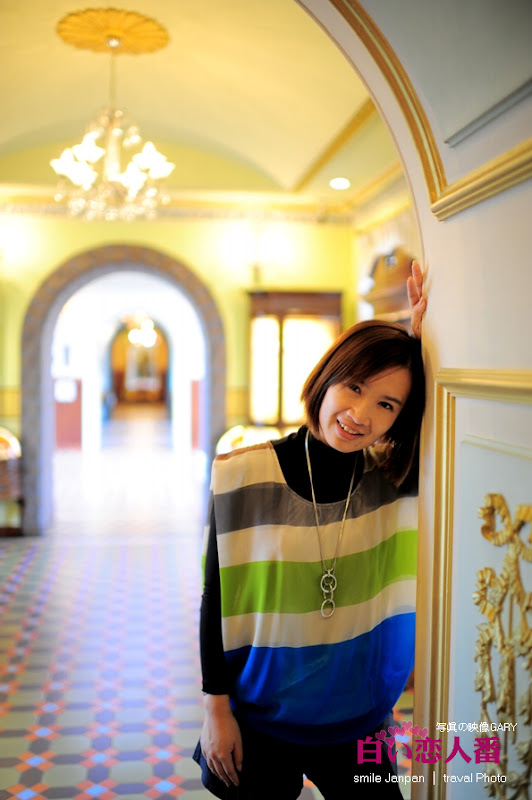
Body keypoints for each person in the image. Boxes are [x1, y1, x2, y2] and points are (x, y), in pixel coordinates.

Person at [194, 262, 427, 799]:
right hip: (260, 716)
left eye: (386, 404)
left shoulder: (395, 480)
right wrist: (215, 710)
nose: (360, 414)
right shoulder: (242, 474)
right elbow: (216, 598)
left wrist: (424, 341)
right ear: (326, 377)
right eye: (354, 386)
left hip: (360, 719)